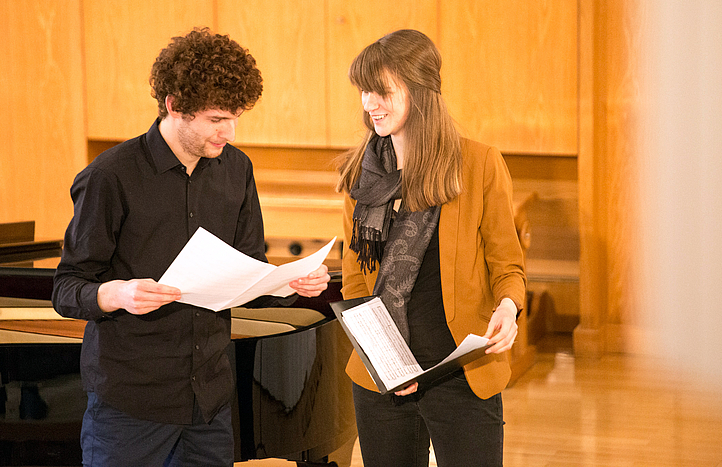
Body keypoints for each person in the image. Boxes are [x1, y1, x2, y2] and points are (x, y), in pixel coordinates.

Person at [52, 27, 329, 467]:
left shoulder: (237, 170)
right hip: (130, 405)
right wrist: (117, 293)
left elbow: (249, 271)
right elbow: (67, 287)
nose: (229, 133)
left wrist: (289, 283)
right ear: (174, 106)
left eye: (235, 117)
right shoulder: (110, 176)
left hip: (209, 401)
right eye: (216, 120)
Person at [335, 29, 526, 467]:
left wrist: (508, 307)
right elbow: (357, 281)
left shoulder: (479, 164)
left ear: (420, 91)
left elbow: (508, 265)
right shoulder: (361, 174)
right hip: (382, 377)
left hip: (461, 373)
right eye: (364, 90)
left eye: (382, 91)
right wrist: (385, 362)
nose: (369, 103)